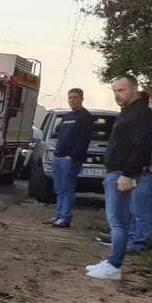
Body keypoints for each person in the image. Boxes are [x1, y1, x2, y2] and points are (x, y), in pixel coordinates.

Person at [86, 75, 152, 280]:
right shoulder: (129, 112)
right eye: (115, 91)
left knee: (118, 222)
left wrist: (127, 173)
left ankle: (114, 266)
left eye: (121, 90)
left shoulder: (142, 113)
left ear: (134, 89)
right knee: (117, 221)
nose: (117, 95)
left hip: (122, 173)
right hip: (116, 172)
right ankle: (111, 261)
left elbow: (141, 145)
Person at [45, 88, 94, 228]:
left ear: (82, 99)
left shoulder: (85, 117)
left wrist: (72, 156)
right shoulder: (67, 116)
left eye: (75, 97)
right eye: (70, 97)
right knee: (58, 189)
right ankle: (58, 215)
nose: (72, 100)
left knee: (67, 189)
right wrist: (56, 153)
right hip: (58, 157)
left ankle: (65, 217)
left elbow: (84, 139)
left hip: (70, 160)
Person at [125, 89, 152, 251]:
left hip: (150, 171)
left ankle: (139, 242)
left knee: (143, 209)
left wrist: (144, 161)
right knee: (133, 207)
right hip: (140, 169)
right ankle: (130, 238)